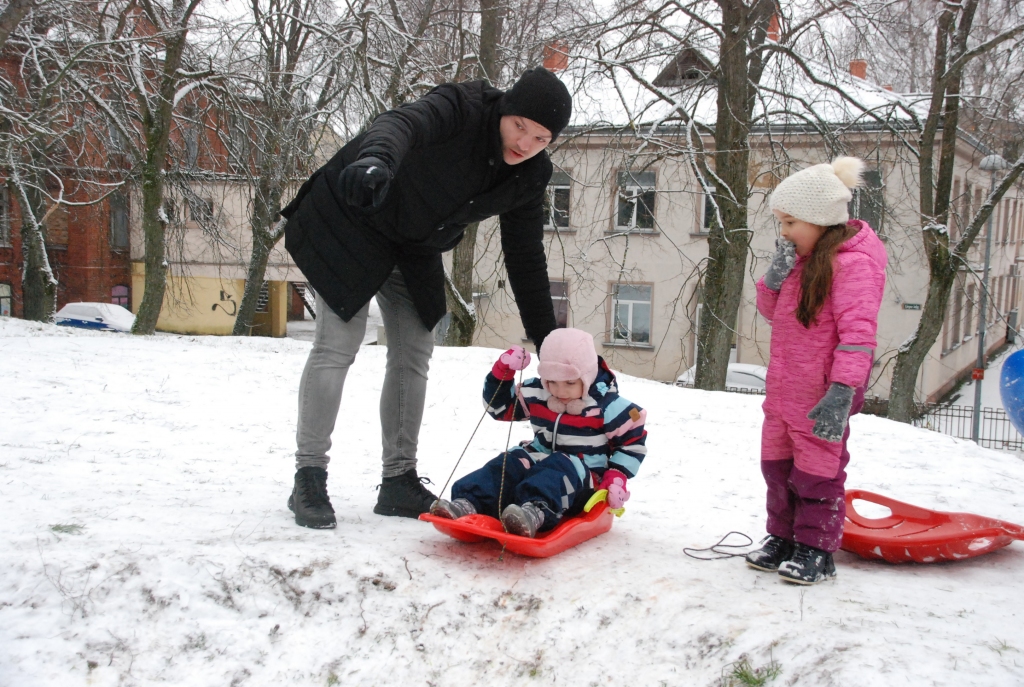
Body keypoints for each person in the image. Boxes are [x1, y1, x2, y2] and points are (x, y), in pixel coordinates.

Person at [279, 67, 572, 528]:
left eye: (540, 139)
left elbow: (526, 258)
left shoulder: (529, 176)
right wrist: (376, 160)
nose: (525, 144)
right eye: (520, 127)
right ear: (505, 108)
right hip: (356, 209)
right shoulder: (463, 106)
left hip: (414, 243)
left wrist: (550, 344)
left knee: (415, 348)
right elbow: (400, 124)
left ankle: (398, 480)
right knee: (340, 341)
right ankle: (309, 476)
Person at [745, 157, 887, 584]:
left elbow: (858, 335)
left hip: (822, 397)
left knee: (817, 475)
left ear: (821, 220)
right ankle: (782, 538)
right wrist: (775, 277)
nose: (784, 233)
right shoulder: (802, 261)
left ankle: (816, 548)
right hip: (784, 392)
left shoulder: (853, 264)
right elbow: (772, 312)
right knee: (777, 470)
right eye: (781, 223)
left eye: (791, 223)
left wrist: (843, 389)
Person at [430, 328, 648, 538]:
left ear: (588, 376)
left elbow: (631, 443)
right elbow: (499, 408)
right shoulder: (539, 393)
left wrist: (616, 476)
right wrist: (502, 373)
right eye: (551, 382)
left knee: (560, 465)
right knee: (513, 461)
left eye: (570, 383)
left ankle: (535, 512)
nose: (559, 391)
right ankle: (469, 502)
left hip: (582, 478)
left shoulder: (609, 406)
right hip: (539, 460)